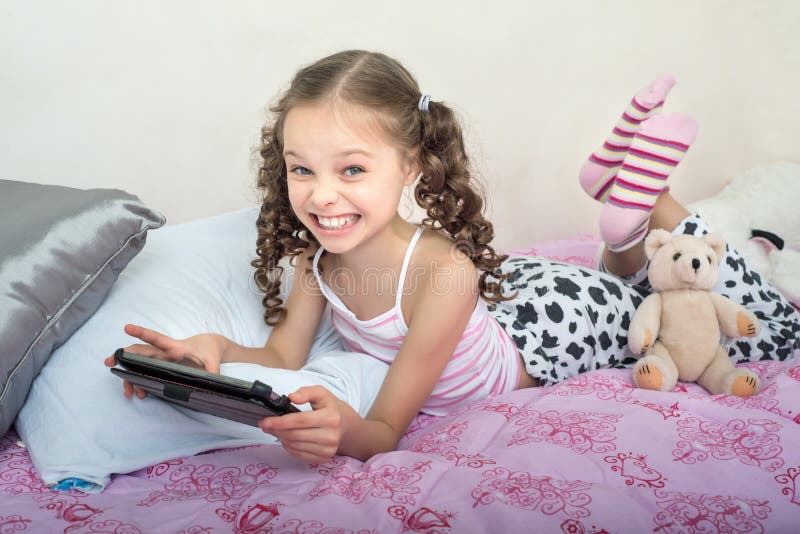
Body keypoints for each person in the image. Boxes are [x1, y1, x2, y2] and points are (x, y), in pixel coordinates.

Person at [105, 51, 800, 465]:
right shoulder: (313, 260)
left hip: (553, 328)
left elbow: (381, 431)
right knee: (634, 274)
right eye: (301, 170)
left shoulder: (442, 274)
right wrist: (210, 352)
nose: (320, 197)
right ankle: (629, 207)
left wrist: (341, 431)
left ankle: (654, 207)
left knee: (748, 317)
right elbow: (284, 358)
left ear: (410, 165)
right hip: (512, 295)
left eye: (351, 171)